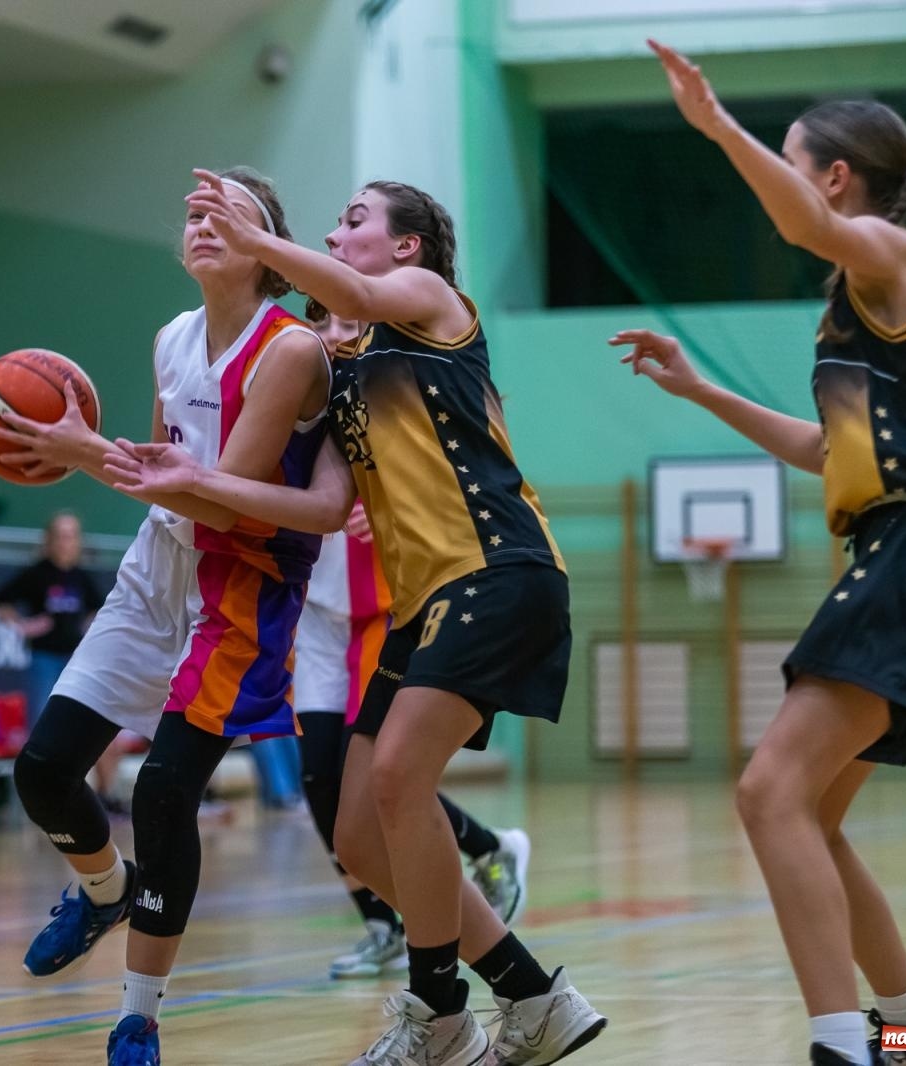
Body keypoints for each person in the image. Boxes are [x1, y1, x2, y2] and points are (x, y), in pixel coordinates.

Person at [107, 173, 605, 1066]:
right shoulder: (344, 357)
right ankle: (534, 994)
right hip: (423, 601)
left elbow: (363, 299)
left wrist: (254, 241)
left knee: (400, 782)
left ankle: (442, 1015)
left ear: (406, 244)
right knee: (359, 837)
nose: (338, 233)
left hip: (495, 568)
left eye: (355, 219)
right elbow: (315, 491)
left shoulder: (427, 297)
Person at [608, 42, 906, 1066]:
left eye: (790, 160)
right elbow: (820, 447)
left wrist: (715, 126)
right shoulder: (862, 297)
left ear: (831, 175)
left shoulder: (880, 248)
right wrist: (700, 392)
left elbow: (805, 222)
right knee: (812, 814)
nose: (783, 182)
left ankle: (842, 1045)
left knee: (766, 792)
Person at [0, 167, 330, 1066]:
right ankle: (103, 892)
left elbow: (223, 502)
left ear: (268, 251)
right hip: (158, 567)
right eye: (193, 212)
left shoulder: (290, 349)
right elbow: (159, 467)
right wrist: (100, 453)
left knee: (164, 789)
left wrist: (82, 451)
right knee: (43, 770)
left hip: (243, 578)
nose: (203, 223)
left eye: (228, 214)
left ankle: (138, 1015)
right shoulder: (171, 338)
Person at [298, 307, 532, 982]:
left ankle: (486, 851)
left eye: (348, 318)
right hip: (315, 606)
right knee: (320, 777)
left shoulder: (396, 382)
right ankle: (381, 923)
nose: (334, 331)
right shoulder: (299, 384)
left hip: (383, 607)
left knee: (372, 775)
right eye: (321, 320)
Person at [0, 512, 121, 811]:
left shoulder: (81, 577)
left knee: (99, 727)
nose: (66, 541)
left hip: (76, 660)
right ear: (49, 540)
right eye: (61, 534)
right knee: (44, 728)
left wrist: (91, 630)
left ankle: (106, 798)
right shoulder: (36, 574)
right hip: (44, 660)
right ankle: (44, 799)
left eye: (72, 535)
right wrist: (24, 625)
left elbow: (98, 610)